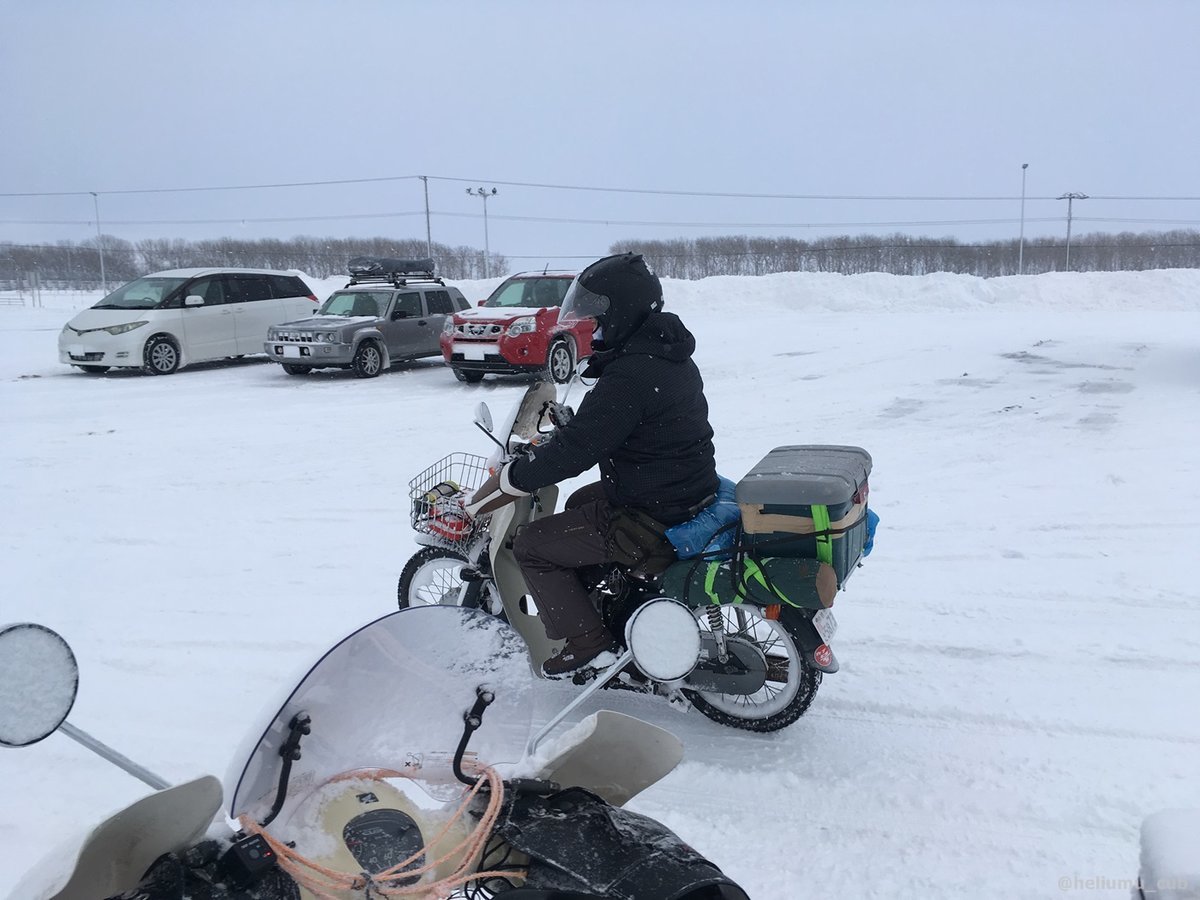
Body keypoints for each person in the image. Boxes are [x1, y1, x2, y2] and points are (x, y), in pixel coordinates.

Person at [465, 252, 719, 677]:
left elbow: (578, 451)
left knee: (532, 546)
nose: (596, 329)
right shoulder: (666, 353)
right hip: (682, 487)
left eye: (600, 319)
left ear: (622, 312)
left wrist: (516, 477)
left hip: (653, 510)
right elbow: (616, 428)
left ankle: (588, 642)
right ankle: (608, 596)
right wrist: (577, 431)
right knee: (583, 499)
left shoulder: (629, 377)